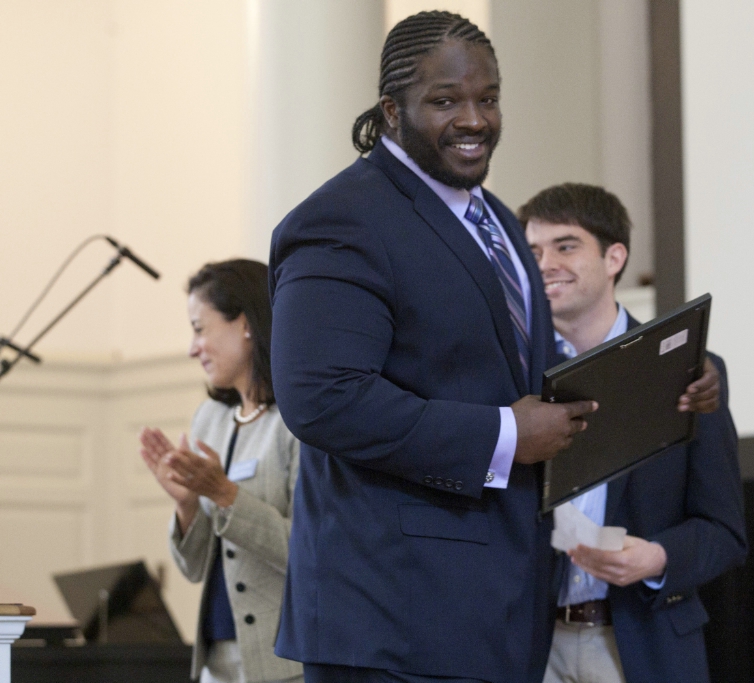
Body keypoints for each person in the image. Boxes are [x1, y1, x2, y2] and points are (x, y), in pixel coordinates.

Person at [267, 12, 718, 683]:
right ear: (392, 110)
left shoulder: (497, 218)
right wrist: (502, 434)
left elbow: (525, 375)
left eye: (488, 98)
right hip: (394, 624)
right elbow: (322, 398)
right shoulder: (343, 219)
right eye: (445, 101)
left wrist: (667, 382)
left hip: (498, 619)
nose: (474, 119)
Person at [518, 183, 748, 683]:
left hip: (644, 644)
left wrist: (658, 558)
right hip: (532, 649)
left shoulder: (688, 373)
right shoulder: (512, 379)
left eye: (566, 245)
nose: (545, 263)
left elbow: (724, 532)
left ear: (614, 256)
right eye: (533, 250)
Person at [139, 260, 303, 683]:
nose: (193, 347)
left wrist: (226, 494)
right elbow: (194, 569)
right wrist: (187, 505)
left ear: (245, 324)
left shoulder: (297, 423)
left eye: (199, 328)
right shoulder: (208, 419)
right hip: (216, 662)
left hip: (283, 664)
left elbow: (311, 553)